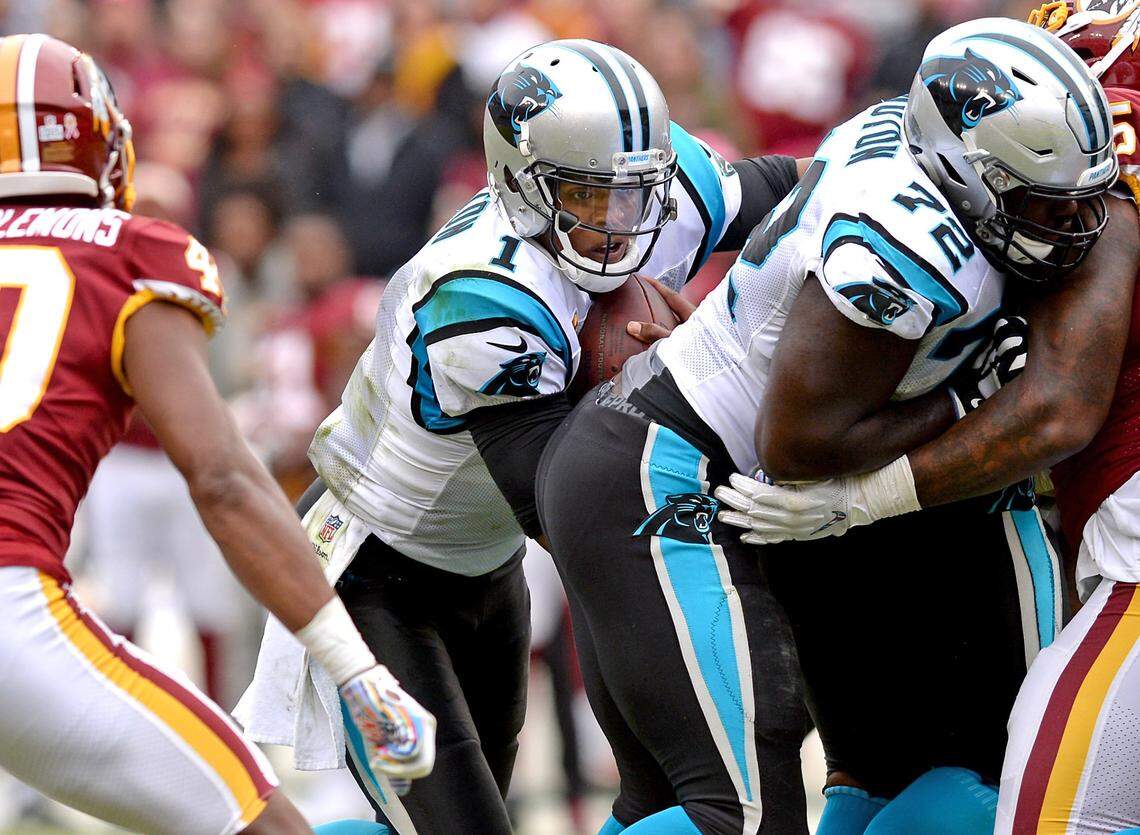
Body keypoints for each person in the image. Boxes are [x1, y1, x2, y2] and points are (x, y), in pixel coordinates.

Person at [536, 17, 1117, 834]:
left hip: (727, 479)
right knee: (743, 816)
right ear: (962, 171)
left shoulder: (908, 145)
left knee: (877, 777)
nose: (1071, 223)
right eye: (1039, 200)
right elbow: (798, 443)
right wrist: (967, 395)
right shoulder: (908, 244)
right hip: (681, 475)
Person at [236, 38, 805, 835]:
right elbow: (562, 501)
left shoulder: (659, 193)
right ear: (521, 180)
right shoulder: (483, 293)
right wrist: (677, 375)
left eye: (635, 192)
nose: (620, 223)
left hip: (488, 564)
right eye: (589, 196)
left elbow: (806, 190)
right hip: (376, 572)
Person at [0, 34, 434, 835]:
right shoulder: (125, 256)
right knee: (259, 817)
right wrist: (355, 667)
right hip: (11, 610)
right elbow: (223, 478)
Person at [722, 4, 1140, 831]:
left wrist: (863, 498)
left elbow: (1058, 404)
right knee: (887, 776)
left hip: (1122, 534)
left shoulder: (1102, 140)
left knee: (1045, 815)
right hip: (1079, 527)